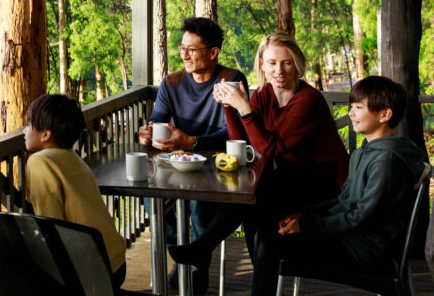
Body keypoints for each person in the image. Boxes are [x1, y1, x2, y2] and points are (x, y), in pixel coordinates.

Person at [168, 32, 349, 269]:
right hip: (290, 180)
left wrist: (243, 107)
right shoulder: (265, 94)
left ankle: (204, 246)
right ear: (262, 65)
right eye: (272, 63)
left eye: (286, 63)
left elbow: (270, 149)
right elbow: (241, 142)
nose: (279, 71)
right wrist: (228, 107)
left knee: (255, 198)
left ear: (296, 65)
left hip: (322, 189)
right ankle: (233, 262)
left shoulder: (308, 100)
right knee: (252, 200)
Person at [251, 76, 429, 294]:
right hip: (354, 238)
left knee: (269, 242)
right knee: (268, 232)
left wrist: (308, 224)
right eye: (351, 107)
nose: (351, 113)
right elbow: (344, 200)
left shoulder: (386, 161)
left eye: (358, 107)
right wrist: (303, 215)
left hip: (366, 249)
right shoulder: (365, 151)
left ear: (385, 114)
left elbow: (363, 217)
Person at [138, 17, 248, 293]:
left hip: (220, 166)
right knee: (149, 200)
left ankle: (197, 266)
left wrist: (193, 141)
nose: (184, 55)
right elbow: (158, 120)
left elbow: (236, 133)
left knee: (200, 208)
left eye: (192, 49)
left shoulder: (231, 80)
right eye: (182, 48)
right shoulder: (172, 82)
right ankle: (184, 256)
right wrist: (149, 134)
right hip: (180, 164)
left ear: (213, 52)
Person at [25, 94, 127, 291]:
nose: (24, 131)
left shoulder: (39, 161)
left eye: (28, 125)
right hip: (114, 259)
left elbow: (50, 224)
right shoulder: (72, 156)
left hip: (92, 269)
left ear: (46, 135)